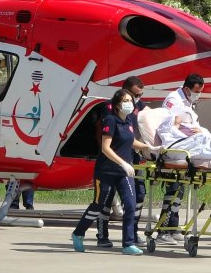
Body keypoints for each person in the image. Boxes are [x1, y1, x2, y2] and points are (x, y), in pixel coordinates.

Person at [72, 89, 158, 255]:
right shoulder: (110, 121)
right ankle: (78, 233)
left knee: (131, 204)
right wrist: (123, 163)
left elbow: (131, 141)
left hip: (123, 173)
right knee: (98, 205)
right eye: (126, 100)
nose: (129, 103)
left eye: (130, 100)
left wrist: (150, 147)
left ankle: (128, 244)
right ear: (118, 104)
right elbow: (105, 148)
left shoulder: (128, 122)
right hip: (106, 171)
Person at [95, 76, 148, 247]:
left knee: (137, 196)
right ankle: (102, 235)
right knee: (106, 200)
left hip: (132, 158)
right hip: (114, 160)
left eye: (139, 96)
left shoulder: (139, 107)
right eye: (134, 95)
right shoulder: (110, 110)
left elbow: (134, 135)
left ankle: (132, 233)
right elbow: (105, 140)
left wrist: (149, 147)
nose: (135, 100)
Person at [157, 73, 204, 245]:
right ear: (186, 89)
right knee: (173, 190)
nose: (197, 95)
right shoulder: (174, 100)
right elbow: (170, 125)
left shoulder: (187, 101)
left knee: (180, 191)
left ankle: (173, 227)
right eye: (196, 91)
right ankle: (162, 231)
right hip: (175, 147)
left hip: (186, 147)